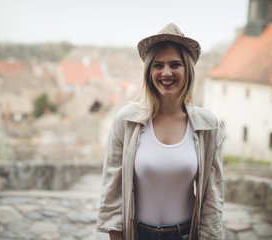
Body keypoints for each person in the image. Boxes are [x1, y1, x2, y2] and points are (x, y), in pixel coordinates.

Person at [96, 23, 225, 240]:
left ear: (187, 70)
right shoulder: (126, 121)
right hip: (137, 234)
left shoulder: (207, 126)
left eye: (175, 64)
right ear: (149, 71)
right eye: (158, 65)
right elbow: (112, 193)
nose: (166, 73)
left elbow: (213, 196)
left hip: (184, 235)